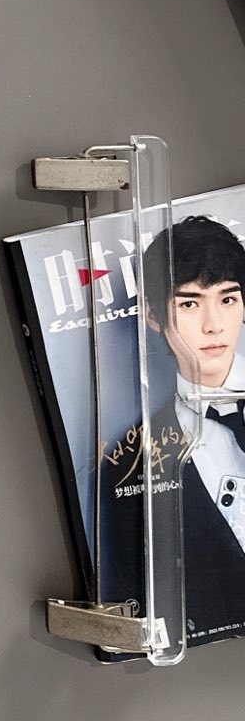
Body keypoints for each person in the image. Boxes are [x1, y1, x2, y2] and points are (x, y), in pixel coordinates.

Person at [98, 213, 245, 643]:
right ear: (152, 315)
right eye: (189, 304)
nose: (213, 324)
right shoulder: (128, 462)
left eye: (228, 299)